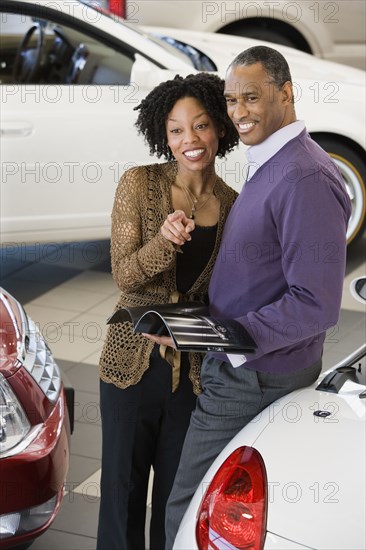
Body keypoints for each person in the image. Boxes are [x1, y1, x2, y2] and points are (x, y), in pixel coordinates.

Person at [155, 46, 352, 547]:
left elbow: (316, 302)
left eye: (251, 97)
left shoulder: (304, 177)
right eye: (231, 100)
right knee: (226, 506)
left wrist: (234, 336)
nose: (238, 112)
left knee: (188, 503)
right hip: (248, 362)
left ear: (286, 95)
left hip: (253, 374)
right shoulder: (276, 160)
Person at [96, 72, 239, 550]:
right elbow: (124, 276)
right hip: (130, 366)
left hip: (193, 371)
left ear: (220, 127)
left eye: (200, 126)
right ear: (163, 134)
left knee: (179, 498)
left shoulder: (234, 206)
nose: (189, 140)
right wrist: (163, 242)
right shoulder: (137, 184)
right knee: (122, 493)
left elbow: (227, 296)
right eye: (176, 130)